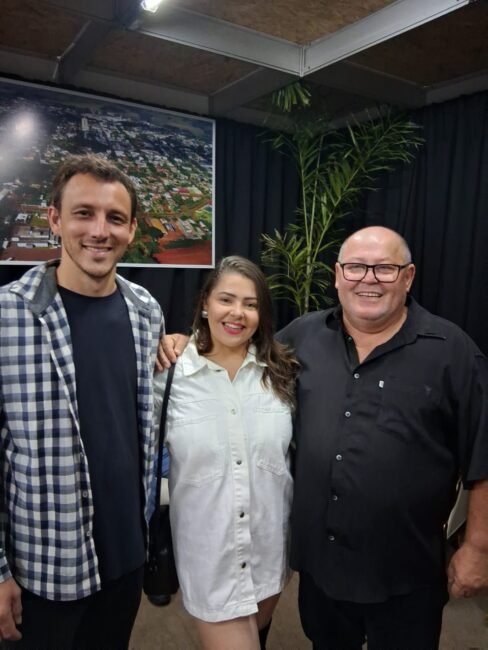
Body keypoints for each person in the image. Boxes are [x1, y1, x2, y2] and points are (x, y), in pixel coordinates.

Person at [161, 227, 488, 650]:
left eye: (384, 269)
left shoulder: (452, 352)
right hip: (322, 572)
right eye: (355, 267)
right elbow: (233, 354)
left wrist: (478, 547)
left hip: (406, 573)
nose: (368, 279)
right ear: (337, 275)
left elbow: (483, 456)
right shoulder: (301, 339)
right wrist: (185, 344)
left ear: (408, 277)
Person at [0, 154, 164, 649]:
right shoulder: (8, 316)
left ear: (131, 229)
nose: (99, 231)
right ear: (54, 219)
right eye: (83, 213)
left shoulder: (146, 312)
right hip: (44, 569)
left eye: (115, 218)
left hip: (126, 558)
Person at [154, 256, 298, 650]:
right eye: (226, 300)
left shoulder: (281, 372)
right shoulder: (169, 374)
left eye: (251, 304)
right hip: (210, 558)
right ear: (205, 303)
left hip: (269, 552)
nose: (237, 313)